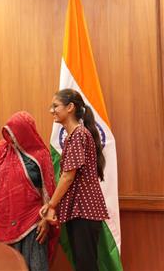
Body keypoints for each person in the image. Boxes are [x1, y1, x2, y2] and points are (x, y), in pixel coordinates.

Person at [40, 89, 109, 271]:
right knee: (82, 264)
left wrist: (52, 205)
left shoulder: (79, 134)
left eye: (55, 106)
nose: (51, 110)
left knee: (86, 265)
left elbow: (68, 175)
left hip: (84, 210)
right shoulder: (75, 135)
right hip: (79, 210)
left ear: (70, 107)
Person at [0, 111, 59, 270]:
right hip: (5, 221)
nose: (10, 137)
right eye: (8, 132)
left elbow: (49, 190)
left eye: (14, 133)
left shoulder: (40, 154)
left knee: (35, 266)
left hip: (33, 222)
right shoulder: (2, 150)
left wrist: (46, 219)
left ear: (25, 132)